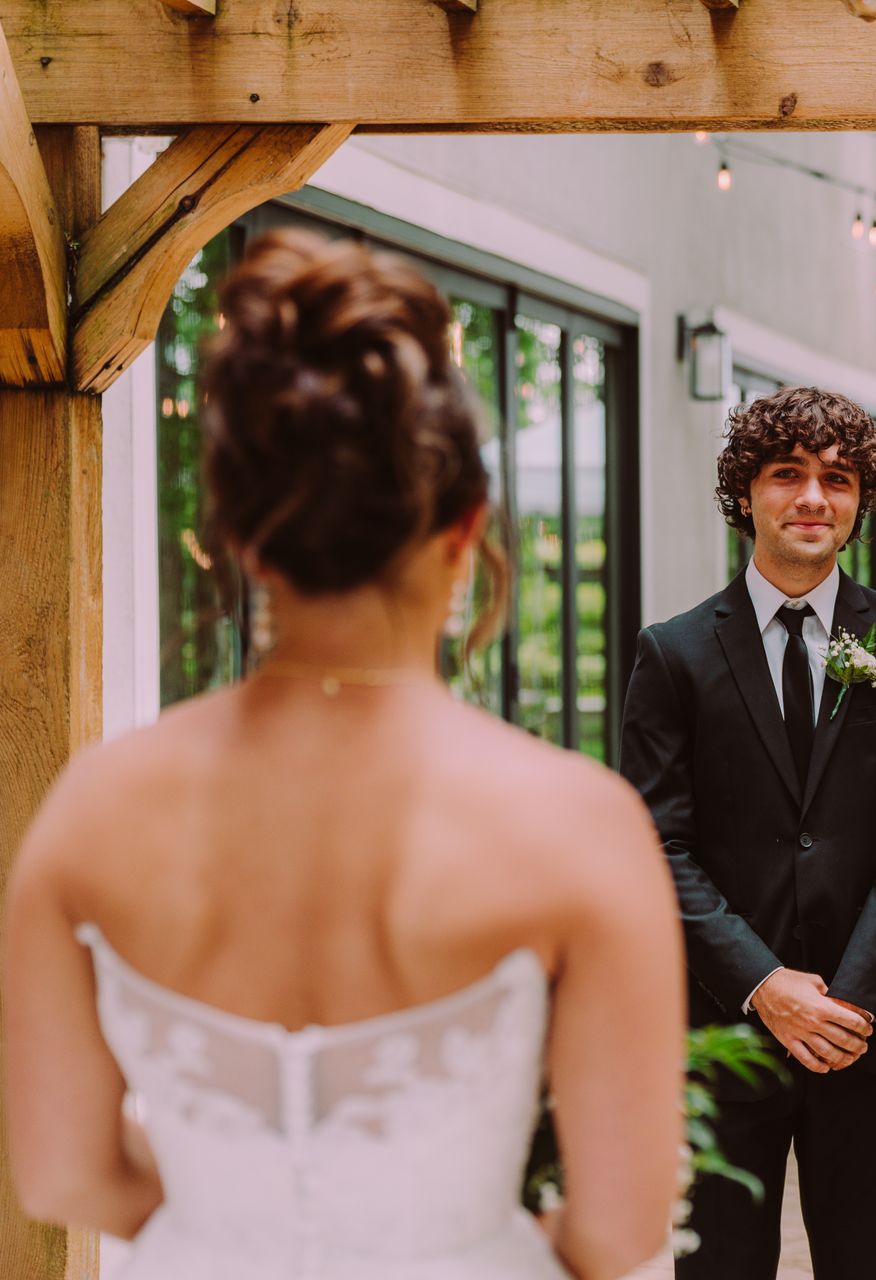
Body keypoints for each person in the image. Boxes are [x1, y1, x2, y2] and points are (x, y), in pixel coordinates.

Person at [2, 230, 684, 1280]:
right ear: (465, 532)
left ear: (242, 540)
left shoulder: (97, 802)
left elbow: (62, 1176)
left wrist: (233, 1230)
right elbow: (622, 1223)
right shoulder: (577, 822)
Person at [620, 385, 876, 1280]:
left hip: (866, 1030)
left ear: (859, 503)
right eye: (787, 474)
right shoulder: (675, 653)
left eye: (837, 479)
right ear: (746, 494)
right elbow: (657, 847)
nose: (813, 497)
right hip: (725, 1029)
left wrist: (847, 1002)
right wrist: (765, 985)